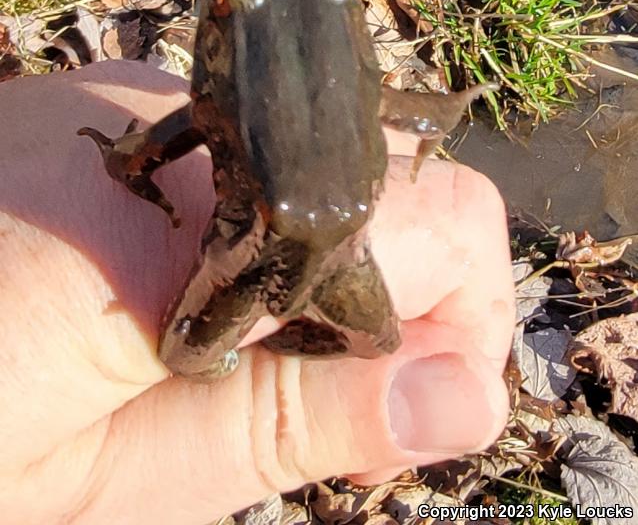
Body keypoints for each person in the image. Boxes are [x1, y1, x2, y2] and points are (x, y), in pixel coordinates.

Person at [0, 60, 515, 524]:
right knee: (376, 341)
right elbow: (424, 117)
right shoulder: (352, 83)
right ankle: (284, 344)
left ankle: (250, 353)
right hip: (333, 264)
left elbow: (139, 160)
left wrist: (120, 158)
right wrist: (450, 107)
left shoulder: (221, 97)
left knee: (190, 356)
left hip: (250, 267)